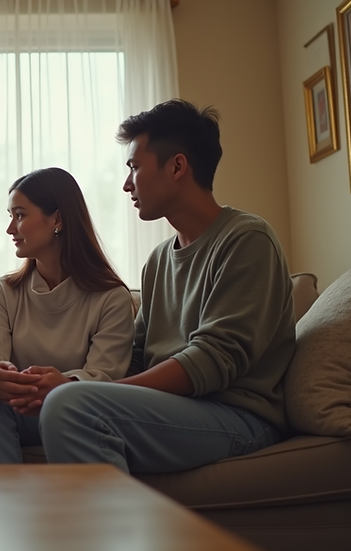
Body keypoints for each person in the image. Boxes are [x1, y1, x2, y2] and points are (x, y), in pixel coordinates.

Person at [38, 99, 296, 473]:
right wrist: (71, 380)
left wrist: (82, 393)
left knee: (70, 404)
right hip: (177, 409)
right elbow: (137, 355)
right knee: (59, 400)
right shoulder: (159, 260)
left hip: (238, 416)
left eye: (135, 167)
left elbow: (213, 360)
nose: (127, 184)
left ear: (176, 166)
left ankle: (104, 530)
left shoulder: (247, 239)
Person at [0, 167, 135, 464]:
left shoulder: (111, 297)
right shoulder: (4, 291)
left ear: (57, 219)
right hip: (18, 413)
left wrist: (61, 387)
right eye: (10, 215)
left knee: (65, 405)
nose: (10, 229)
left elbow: (105, 380)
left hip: (78, 415)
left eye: (20, 215)